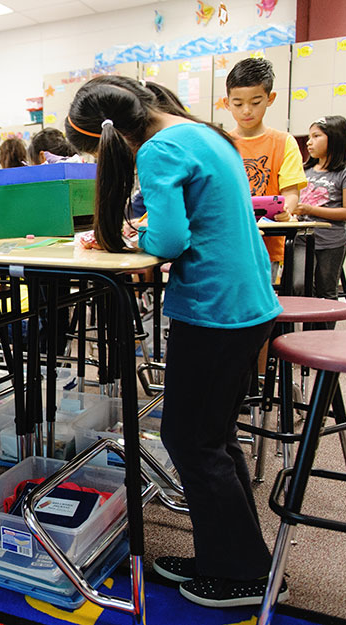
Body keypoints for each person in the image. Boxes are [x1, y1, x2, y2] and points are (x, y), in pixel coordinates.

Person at [65, 75, 285, 607]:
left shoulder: (160, 149)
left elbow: (169, 240)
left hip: (215, 308)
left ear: (110, 138)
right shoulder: (200, 132)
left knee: (192, 441)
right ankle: (232, 558)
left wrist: (137, 237)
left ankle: (241, 576)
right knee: (213, 436)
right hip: (245, 303)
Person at [223, 58, 307, 281]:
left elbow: (290, 193)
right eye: (238, 104)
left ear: (270, 99)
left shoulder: (283, 142)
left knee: (262, 306)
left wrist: (285, 211)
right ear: (226, 102)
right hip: (227, 242)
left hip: (267, 245)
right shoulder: (220, 143)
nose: (247, 111)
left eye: (256, 102)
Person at [291, 115, 346, 314]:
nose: (309, 142)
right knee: (298, 285)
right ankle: (306, 332)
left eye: (316, 136)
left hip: (331, 242)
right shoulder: (304, 170)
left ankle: (323, 337)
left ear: (335, 138)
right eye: (309, 136)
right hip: (302, 239)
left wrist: (309, 210)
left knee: (327, 290)